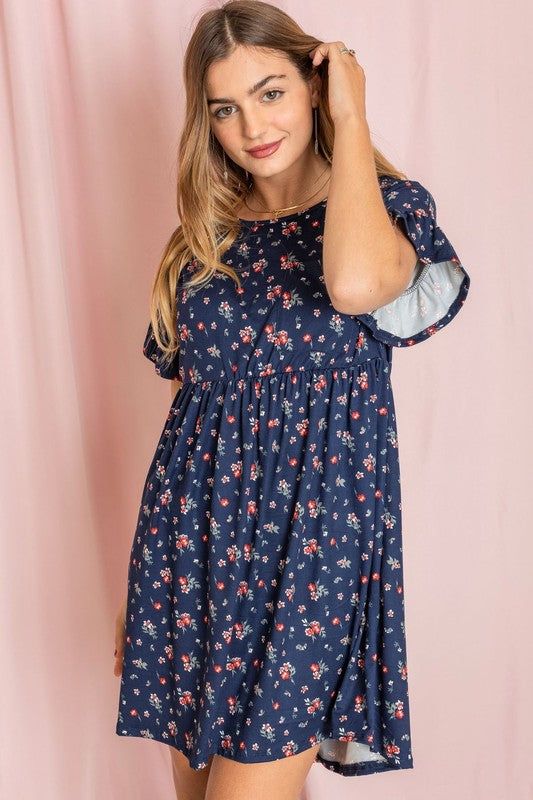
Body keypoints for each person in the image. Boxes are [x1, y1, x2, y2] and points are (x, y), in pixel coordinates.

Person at [113, 2, 471, 798]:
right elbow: (190, 418)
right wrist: (145, 592)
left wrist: (351, 111)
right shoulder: (199, 241)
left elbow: (350, 286)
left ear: (313, 86)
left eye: (271, 92)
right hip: (190, 557)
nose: (251, 126)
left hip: (310, 567)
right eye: (225, 108)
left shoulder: (387, 211)